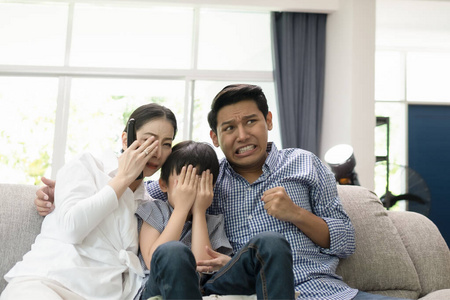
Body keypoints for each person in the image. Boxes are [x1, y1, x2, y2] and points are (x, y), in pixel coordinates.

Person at [33, 84, 408, 300]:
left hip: (324, 291)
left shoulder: (306, 165)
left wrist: (296, 214)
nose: (242, 135)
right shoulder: (204, 179)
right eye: (229, 128)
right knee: (201, 250)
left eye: (251, 122)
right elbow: (146, 192)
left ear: (268, 122)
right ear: (216, 137)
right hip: (241, 284)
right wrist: (57, 193)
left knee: (272, 241)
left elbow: (344, 240)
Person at [1, 103, 178, 300]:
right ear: (126, 139)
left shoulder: (149, 205)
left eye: (166, 144)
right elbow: (72, 228)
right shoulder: (86, 166)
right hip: (46, 282)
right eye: (148, 141)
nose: (157, 153)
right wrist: (123, 178)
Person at [135, 140, 233, 299]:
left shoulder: (213, 223)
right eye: (186, 181)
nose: (191, 189)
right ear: (164, 185)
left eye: (200, 182)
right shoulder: (154, 210)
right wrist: (181, 208)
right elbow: (153, 261)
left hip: (192, 290)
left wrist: (200, 211)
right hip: (156, 290)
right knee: (173, 251)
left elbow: (202, 267)